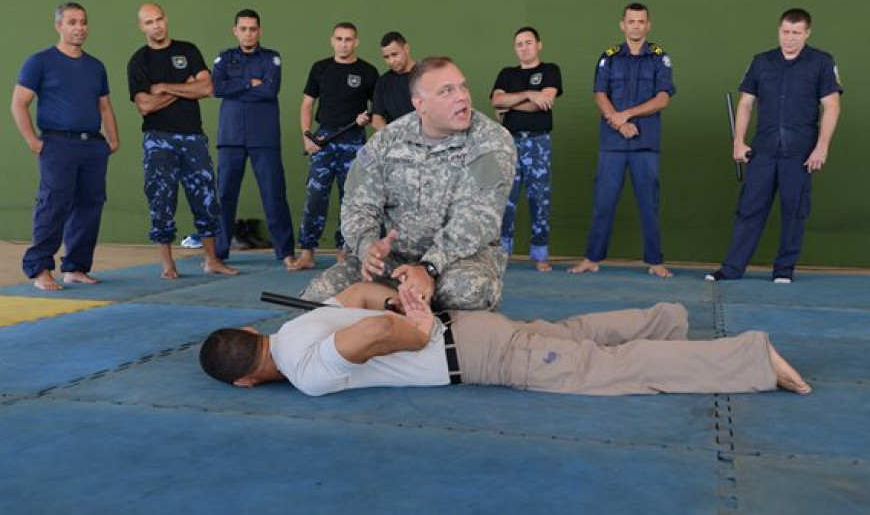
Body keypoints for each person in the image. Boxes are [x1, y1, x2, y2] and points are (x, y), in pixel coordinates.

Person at [200, 282, 812, 397]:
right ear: (254, 334)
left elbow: (373, 331)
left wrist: (408, 325)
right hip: (473, 327)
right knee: (573, 334)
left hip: (473, 353)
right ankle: (671, 318)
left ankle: (751, 357)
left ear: (248, 377)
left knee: (605, 368)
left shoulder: (304, 370)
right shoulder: (296, 325)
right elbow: (363, 294)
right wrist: (399, 300)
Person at [299, 56, 516, 311]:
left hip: (460, 261)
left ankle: (405, 317)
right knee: (318, 297)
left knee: (467, 291)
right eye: (447, 91)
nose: (462, 97)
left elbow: (479, 218)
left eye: (462, 86)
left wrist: (429, 268)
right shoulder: (387, 141)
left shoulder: (491, 141)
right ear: (419, 104)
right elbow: (357, 204)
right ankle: (396, 310)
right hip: (395, 261)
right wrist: (368, 247)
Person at [706, 8, 842, 284]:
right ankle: (731, 270)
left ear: (807, 33)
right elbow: (745, 103)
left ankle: (783, 271)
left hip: (800, 153)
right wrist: (738, 142)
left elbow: (832, 106)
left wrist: (822, 146)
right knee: (749, 210)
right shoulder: (761, 62)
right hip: (763, 151)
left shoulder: (822, 62)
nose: (789, 38)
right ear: (778, 31)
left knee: (794, 211)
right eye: (785, 32)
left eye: (796, 33)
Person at [11, 2, 120, 291]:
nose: (79, 28)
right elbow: (19, 103)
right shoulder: (40, 61)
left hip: (92, 146)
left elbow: (105, 106)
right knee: (53, 205)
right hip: (57, 144)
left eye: (83, 22)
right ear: (58, 25)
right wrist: (33, 141)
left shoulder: (96, 66)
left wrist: (113, 138)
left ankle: (76, 268)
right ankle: (40, 268)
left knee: (89, 206)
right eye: (72, 22)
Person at [127, 3, 237, 279]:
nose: (157, 26)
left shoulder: (187, 50)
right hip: (158, 139)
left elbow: (208, 87)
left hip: (193, 137)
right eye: (149, 22)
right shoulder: (138, 61)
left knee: (206, 198)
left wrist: (164, 87)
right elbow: (145, 106)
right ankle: (168, 264)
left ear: (167, 19)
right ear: (142, 27)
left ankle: (211, 259)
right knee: (161, 199)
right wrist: (184, 89)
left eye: (160, 19)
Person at [569, 3, 676, 278]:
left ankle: (655, 261)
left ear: (648, 25)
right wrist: (617, 121)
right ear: (622, 25)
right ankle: (592, 258)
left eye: (641, 22)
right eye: (631, 21)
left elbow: (663, 98)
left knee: (648, 205)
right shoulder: (609, 58)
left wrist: (625, 115)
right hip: (612, 145)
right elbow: (599, 94)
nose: (636, 26)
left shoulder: (659, 58)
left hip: (646, 144)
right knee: (603, 203)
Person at [212, 9, 296, 270]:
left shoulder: (272, 58)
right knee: (224, 196)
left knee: (274, 195)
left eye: (252, 29)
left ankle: (285, 253)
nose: (248, 33)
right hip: (231, 137)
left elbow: (271, 89)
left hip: (264, 137)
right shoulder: (224, 58)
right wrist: (251, 84)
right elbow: (217, 88)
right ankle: (218, 253)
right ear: (235, 31)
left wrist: (238, 84)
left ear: (259, 31)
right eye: (243, 29)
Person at [291, 22, 379, 271]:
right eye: (339, 39)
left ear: (356, 42)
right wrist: (307, 136)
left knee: (350, 198)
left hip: (353, 140)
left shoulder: (368, 71)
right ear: (332, 40)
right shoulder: (320, 68)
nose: (343, 44)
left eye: (348, 39)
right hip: (323, 139)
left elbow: (378, 110)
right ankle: (307, 253)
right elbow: (307, 105)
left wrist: (367, 118)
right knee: (315, 196)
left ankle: (345, 251)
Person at [491, 27, 562, 272]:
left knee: (539, 199)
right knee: (505, 200)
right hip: (509, 142)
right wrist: (531, 94)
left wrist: (512, 104)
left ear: (539, 45)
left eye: (528, 42)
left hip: (538, 142)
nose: (524, 47)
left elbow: (544, 104)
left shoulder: (550, 71)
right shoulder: (507, 73)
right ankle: (501, 254)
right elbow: (496, 100)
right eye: (519, 44)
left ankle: (540, 255)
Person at [371, 31, 416, 130]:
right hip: (396, 143)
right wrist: (393, 139)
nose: (391, 61)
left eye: (394, 54)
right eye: (386, 57)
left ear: (406, 49)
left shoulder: (427, 75)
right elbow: (377, 119)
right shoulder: (382, 83)